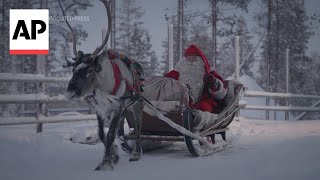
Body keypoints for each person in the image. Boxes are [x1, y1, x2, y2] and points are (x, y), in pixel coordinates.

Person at [164, 44, 227, 113]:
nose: (191, 60)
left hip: (203, 102)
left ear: (200, 59)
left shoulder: (209, 72)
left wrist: (214, 82)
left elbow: (221, 92)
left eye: (194, 57)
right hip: (182, 103)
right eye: (188, 57)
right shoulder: (176, 73)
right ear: (184, 60)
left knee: (204, 108)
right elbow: (164, 84)